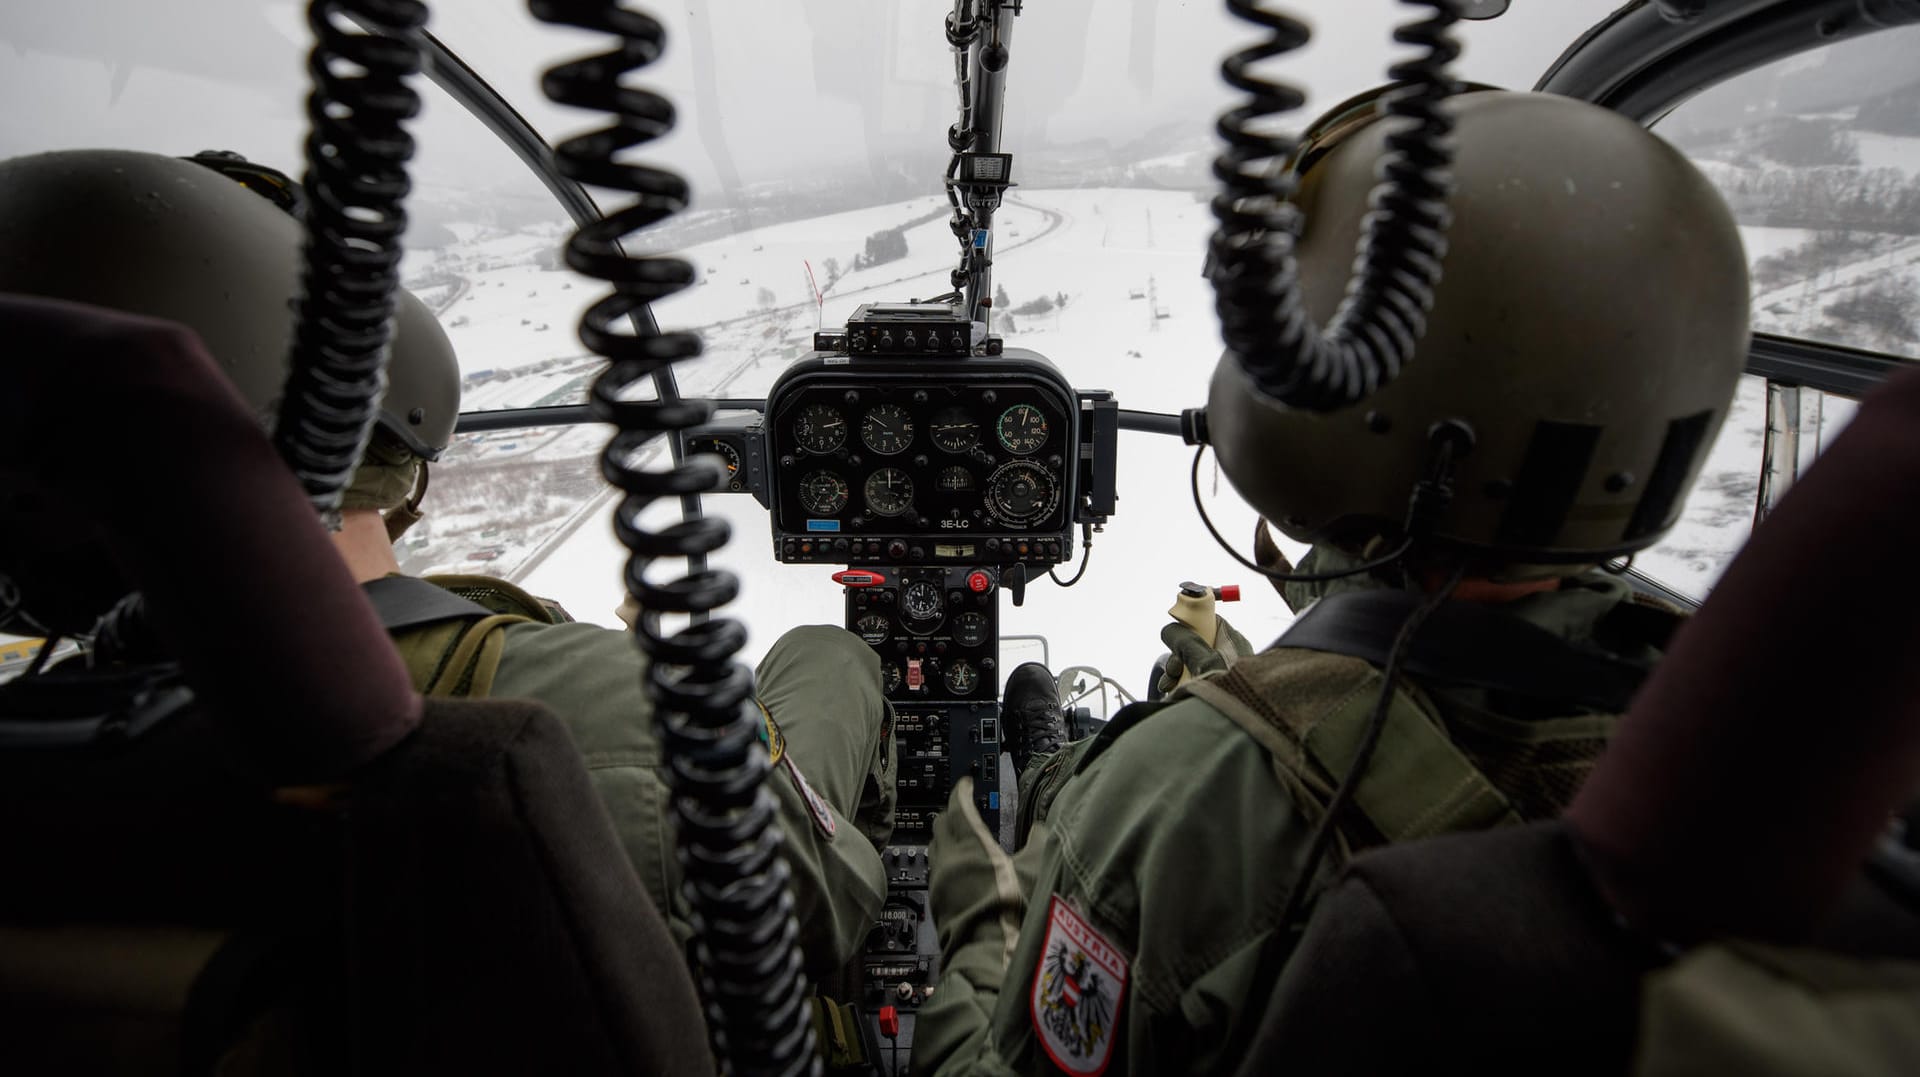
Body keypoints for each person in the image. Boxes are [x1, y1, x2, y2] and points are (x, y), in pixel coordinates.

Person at [913, 87, 1752, 1075]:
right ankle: (1053, 756)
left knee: (1052, 791)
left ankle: (1045, 771)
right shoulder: (1764, 726)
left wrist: (977, 914)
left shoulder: (1184, 798)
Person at [0, 147, 896, 978]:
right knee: (830, 651)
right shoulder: (602, 703)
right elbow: (841, 900)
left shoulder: (41, 762)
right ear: (367, 395)